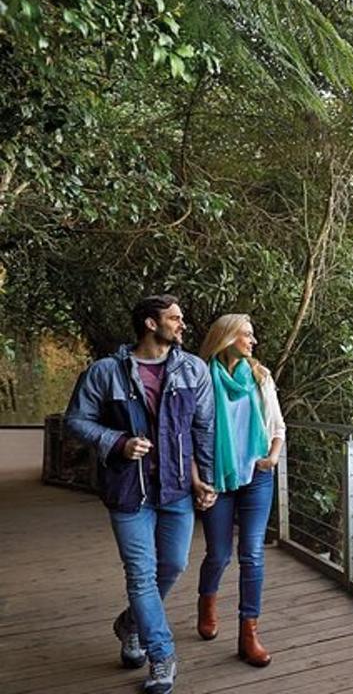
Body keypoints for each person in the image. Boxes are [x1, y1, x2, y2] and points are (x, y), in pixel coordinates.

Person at [65, 294, 216, 694]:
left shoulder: (193, 370)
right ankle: (161, 655)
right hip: (129, 490)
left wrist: (204, 479)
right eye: (175, 318)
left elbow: (202, 430)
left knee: (175, 564)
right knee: (141, 574)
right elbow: (77, 420)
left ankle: (129, 623)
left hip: (177, 488)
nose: (182, 325)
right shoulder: (105, 372)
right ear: (150, 324)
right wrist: (118, 443)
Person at [196, 314, 286, 667]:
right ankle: (206, 602)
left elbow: (277, 425)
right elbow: (188, 431)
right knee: (218, 553)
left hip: (257, 475)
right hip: (218, 478)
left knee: (252, 553)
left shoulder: (260, 376)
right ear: (228, 338)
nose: (253, 341)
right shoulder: (202, 376)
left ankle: (249, 633)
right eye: (247, 334)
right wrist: (197, 479)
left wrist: (272, 457)